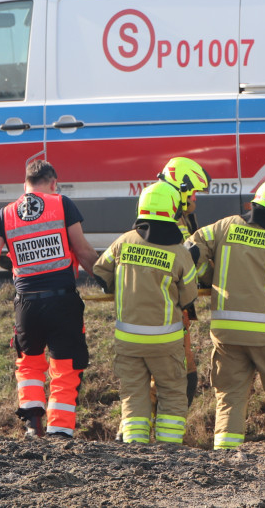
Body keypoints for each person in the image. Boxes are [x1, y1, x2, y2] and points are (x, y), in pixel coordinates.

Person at [0, 159, 98, 438]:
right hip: (63, 302)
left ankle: (32, 421)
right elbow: (84, 251)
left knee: (29, 363)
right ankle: (60, 430)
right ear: (53, 183)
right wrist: (108, 279)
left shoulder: (4, 215)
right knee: (65, 366)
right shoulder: (61, 204)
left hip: (26, 304)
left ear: (24, 185)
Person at [186, 177, 265, 450]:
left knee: (229, 395)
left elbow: (191, 251)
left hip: (226, 333)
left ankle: (226, 453)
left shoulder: (225, 226)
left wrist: (209, 277)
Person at [92, 181, 198, 444]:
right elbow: (189, 296)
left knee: (134, 394)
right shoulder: (180, 252)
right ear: (173, 210)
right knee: (172, 392)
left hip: (128, 339)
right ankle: (169, 448)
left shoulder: (123, 242)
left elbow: (100, 270)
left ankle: (135, 446)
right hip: (166, 340)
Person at [157, 156, 211, 404]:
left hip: (178, 307)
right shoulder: (164, 217)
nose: (196, 199)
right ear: (182, 189)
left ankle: (136, 433)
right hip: (165, 307)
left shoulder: (178, 215)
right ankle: (133, 435)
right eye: (194, 193)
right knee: (173, 377)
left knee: (182, 376)